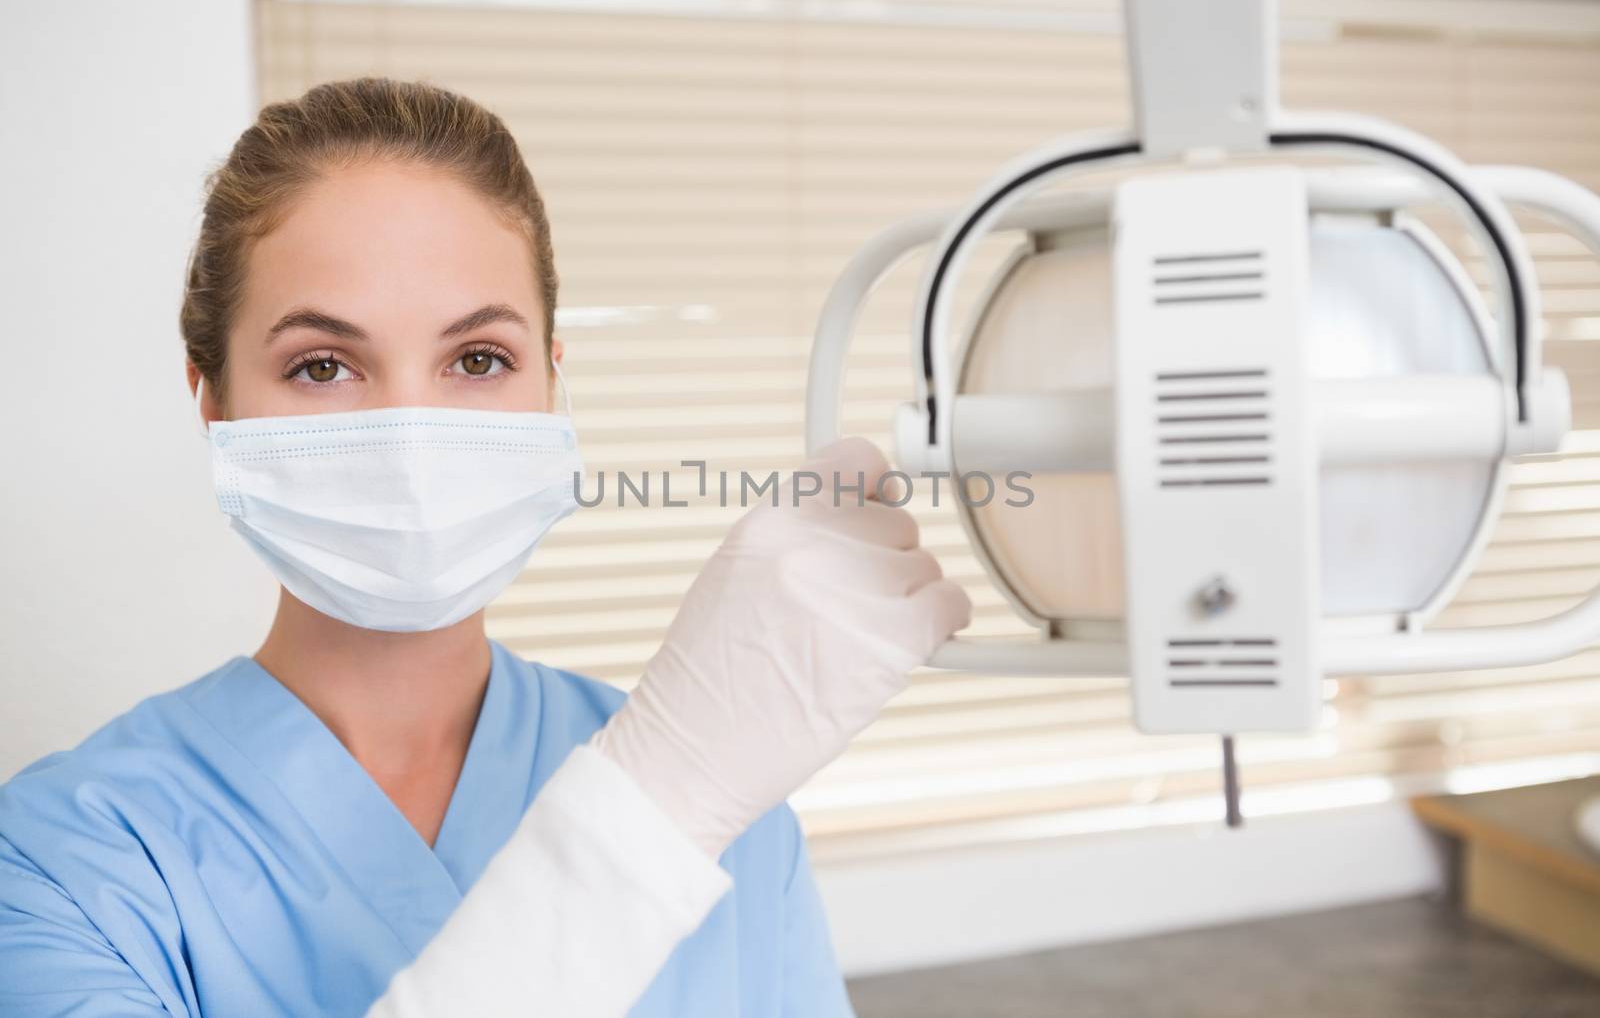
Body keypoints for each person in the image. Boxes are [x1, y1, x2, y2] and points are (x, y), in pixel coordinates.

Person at [0, 78, 971, 1017]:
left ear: (551, 381)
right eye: (324, 365)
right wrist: (654, 807)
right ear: (213, 398)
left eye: (476, 358)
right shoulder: (61, 864)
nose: (409, 433)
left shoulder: (732, 798)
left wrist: (684, 788)